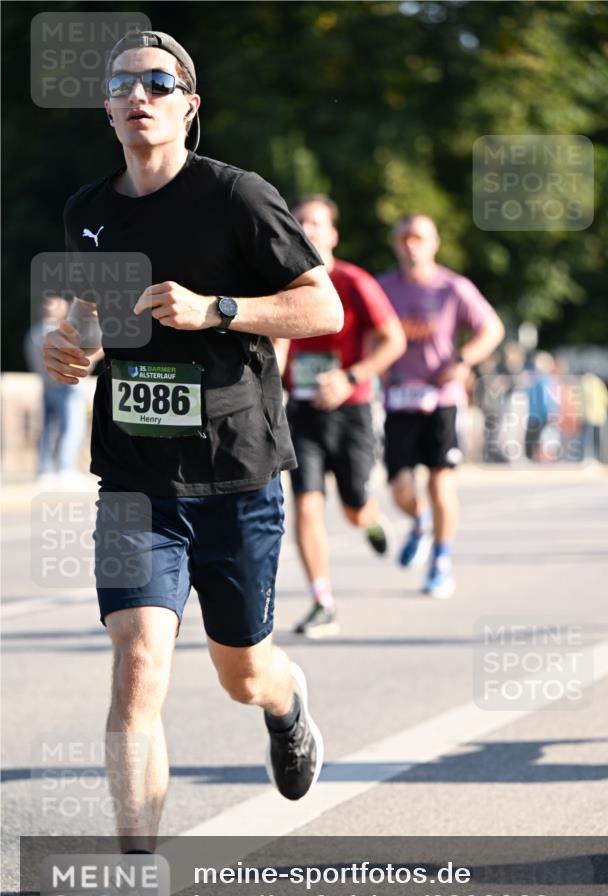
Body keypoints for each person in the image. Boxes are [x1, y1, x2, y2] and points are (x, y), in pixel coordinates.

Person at [42, 29, 344, 851]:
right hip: (136, 480)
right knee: (138, 666)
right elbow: (92, 321)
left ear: (188, 106)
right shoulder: (89, 211)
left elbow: (324, 309)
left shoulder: (237, 197)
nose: (138, 96)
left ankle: (286, 704)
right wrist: (72, 343)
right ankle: (137, 862)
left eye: (157, 83)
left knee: (241, 671)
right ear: (107, 108)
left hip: (236, 475)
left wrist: (220, 308)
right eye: (121, 85)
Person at [273, 195, 405, 637]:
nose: (308, 229)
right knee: (307, 504)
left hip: (351, 412)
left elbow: (393, 340)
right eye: (300, 222)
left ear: (332, 234)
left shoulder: (354, 281)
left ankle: (368, 518)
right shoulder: (280, 282)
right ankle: (321, 600)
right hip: (303, 411)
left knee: (351, 506)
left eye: (316, 222)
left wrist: (351, 377)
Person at [378, 214, 504, 597]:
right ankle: (419, 521)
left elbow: (492, 329)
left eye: (419, 237)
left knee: (440, 483)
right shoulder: (383, 288)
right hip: (400, 399)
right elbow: (369, 333)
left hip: (442, 400)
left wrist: (463, 360)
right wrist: (377, 367)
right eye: (404, 237)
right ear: (396, 244)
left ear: (434, 243)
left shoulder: (453, 287)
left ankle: (441, 561)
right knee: (399, 487)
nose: (411, 244)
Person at [24, 294, 87, 481]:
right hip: (65, 386)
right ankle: (65, 468)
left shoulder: (33, 332)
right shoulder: (58, 332)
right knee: (72, 428)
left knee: (47, 430)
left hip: (46, 386)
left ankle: (44, 469)